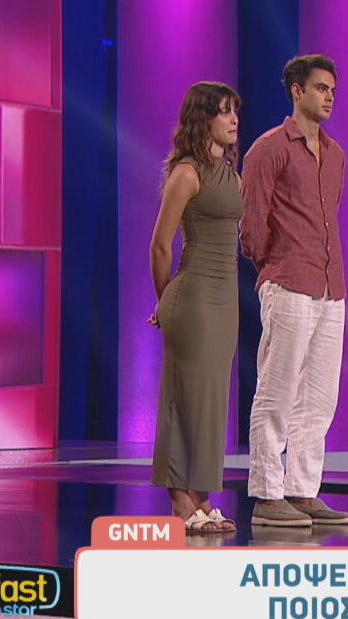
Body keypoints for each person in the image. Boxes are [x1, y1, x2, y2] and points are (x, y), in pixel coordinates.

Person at [239, 54, 348, 527]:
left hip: (330, 284)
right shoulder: (269, 149)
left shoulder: (336, 154)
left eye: (332, 90)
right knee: (277, 390)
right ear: (297, 91)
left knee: (319, 398)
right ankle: (267, 495)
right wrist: (274, 264)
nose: (329, 97)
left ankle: (302, 491)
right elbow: (252, 224)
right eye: (321, 88)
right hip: (288, 280)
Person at [148, 81, 243, 533]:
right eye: (224, 112)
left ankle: (203, 498)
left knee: (211, 399)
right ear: (203, 118)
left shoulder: (231, 175)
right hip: (194, 296)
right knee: (184, 397)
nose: (233, 119)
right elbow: (160, 245)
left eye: (234, 111)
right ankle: (181, 504)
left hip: (225, 300)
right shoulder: (187, 173)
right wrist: (164, 298)